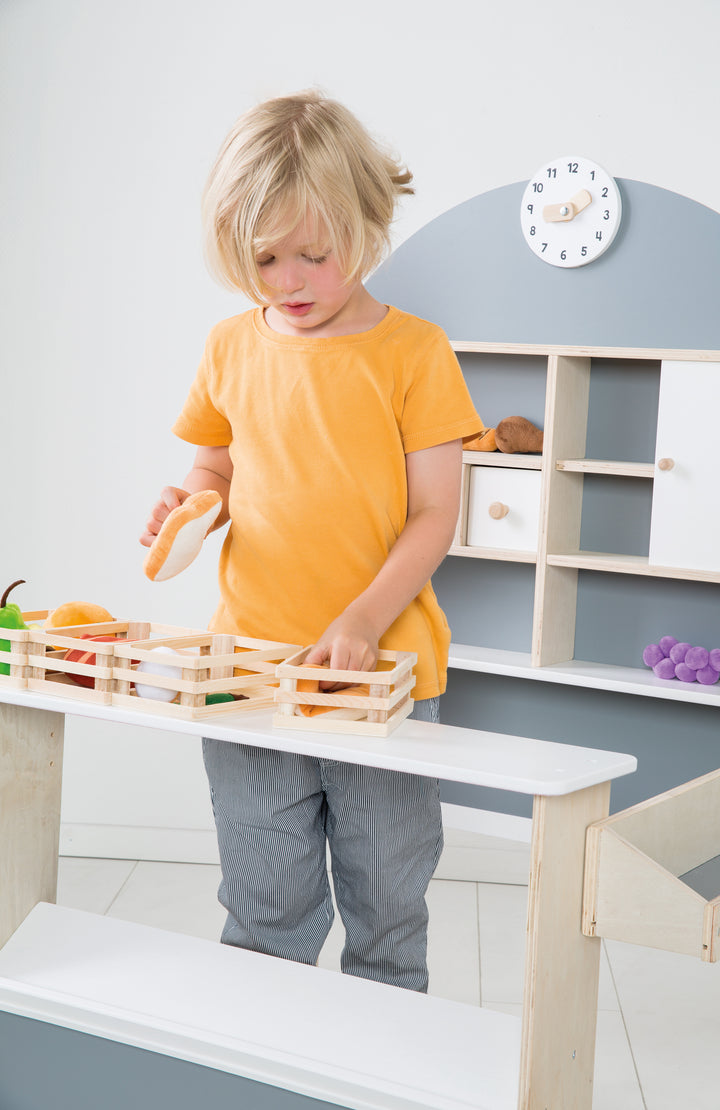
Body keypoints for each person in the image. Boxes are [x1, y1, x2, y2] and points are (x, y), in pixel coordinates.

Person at [141, 90, 482, 992]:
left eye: (314, 255)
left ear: (367, 226)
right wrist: (187, 507)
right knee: (263, 903)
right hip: (248, 667)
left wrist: (364, 619)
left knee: (387, 904)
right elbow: (214, 473)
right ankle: (263, 1058)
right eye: (264, 258)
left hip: (383, 674)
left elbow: (434, 515)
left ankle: (381, 1060)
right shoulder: (228, 347)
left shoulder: (416, 352)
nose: (288, 280)